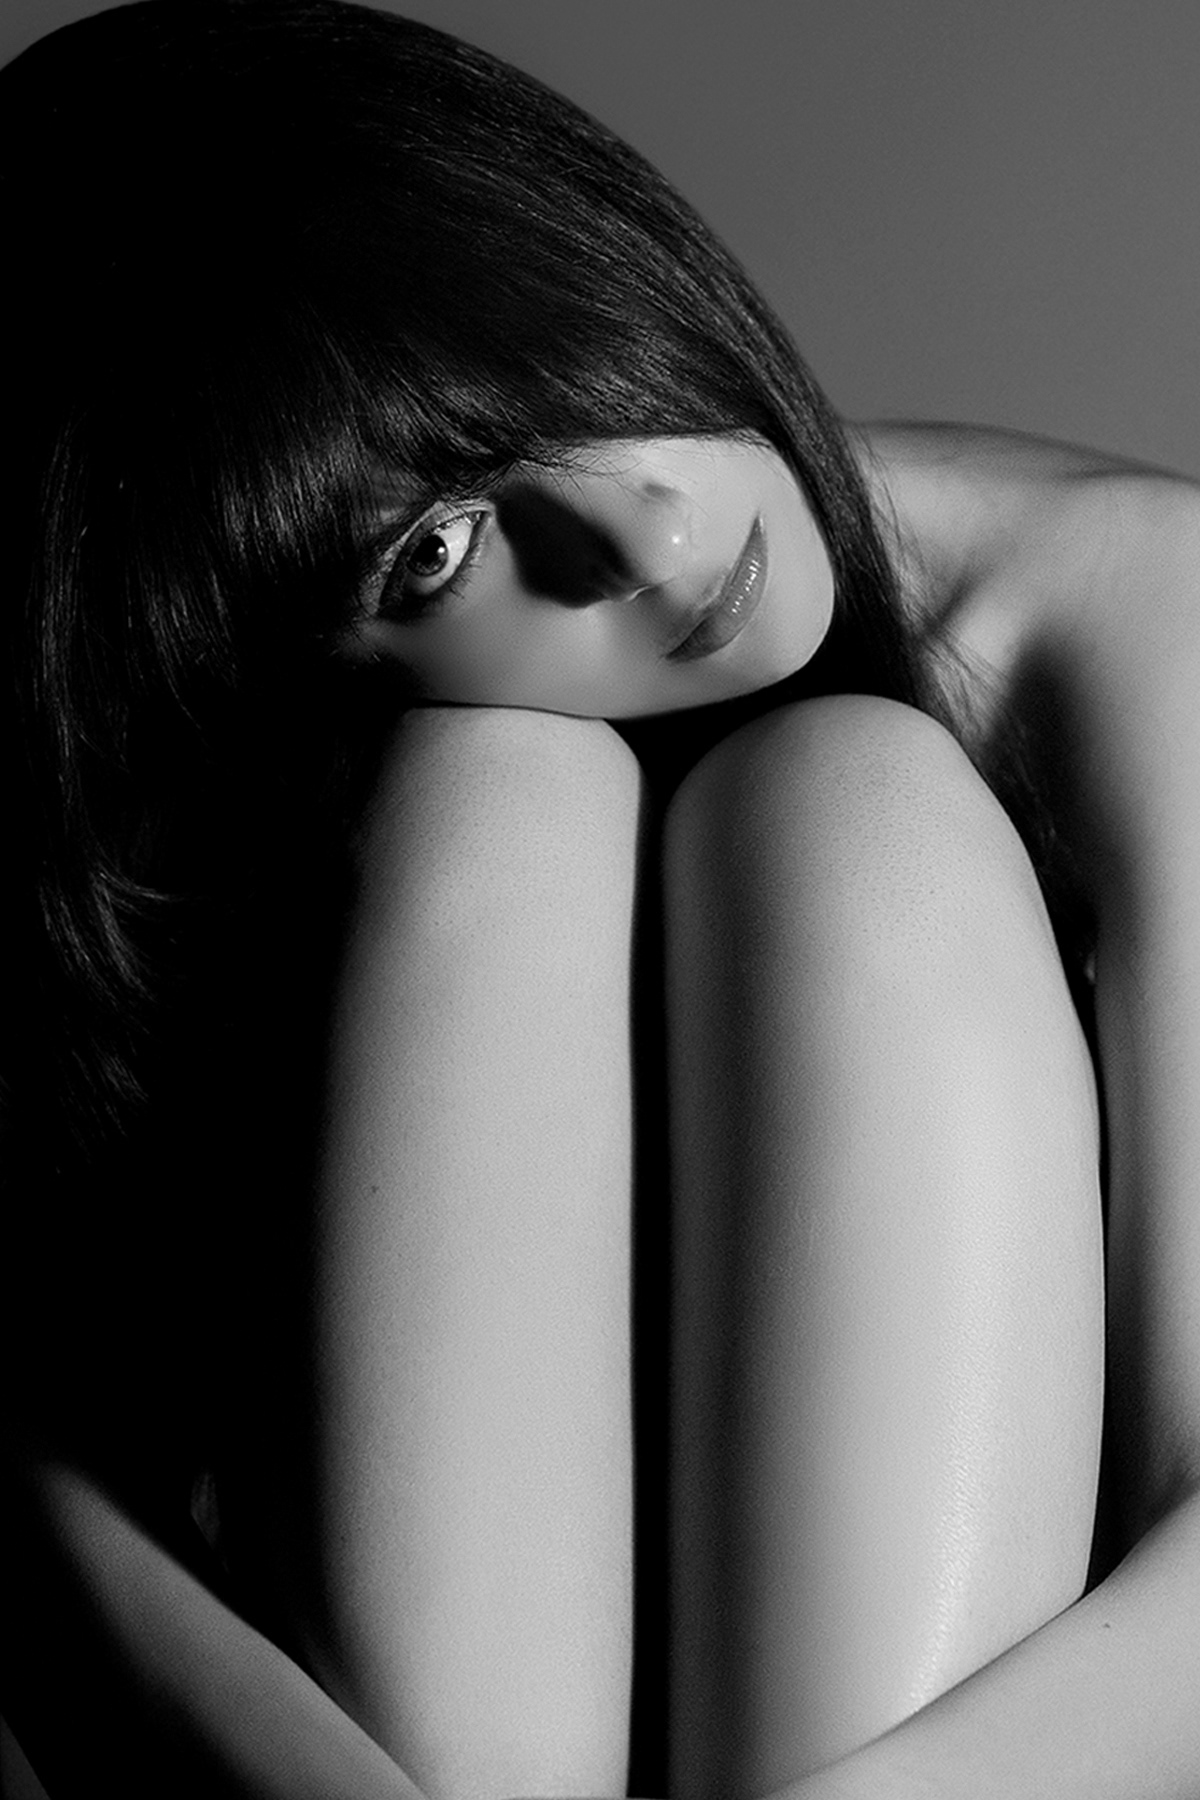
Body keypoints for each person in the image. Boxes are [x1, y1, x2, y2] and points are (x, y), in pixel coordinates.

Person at [2, 3, 1199, 1798]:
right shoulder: (405, 839)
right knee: (497, 795)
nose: (644, 536)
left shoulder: (1134, 612)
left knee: (852, 800)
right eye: (435, 552)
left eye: (551, 356)